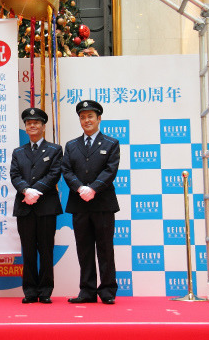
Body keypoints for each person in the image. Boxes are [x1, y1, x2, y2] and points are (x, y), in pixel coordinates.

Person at [61, 100, 120, 304]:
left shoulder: (111, 143)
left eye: (90, 117)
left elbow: (110, 170)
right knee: (84, 249)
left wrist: (93, 188)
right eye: (82, 117)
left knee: (105, 248)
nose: (86, 120)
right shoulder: (71, 145)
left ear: (99, 119)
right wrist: (80, 188)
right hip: (79, 204)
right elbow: (66, 170)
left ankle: (107, 290)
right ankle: (87, 290)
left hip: (103, 204)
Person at [10, 108, 63, 304]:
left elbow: (54, 174)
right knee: (29, 249)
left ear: (43, 126)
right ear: (25, 127)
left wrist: (36, 191)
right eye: (29, 123)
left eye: (36, 122)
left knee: (46, 249)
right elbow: (15, 175)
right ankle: (30, 290)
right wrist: (26, 191)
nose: (32, 125)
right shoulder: (18, 152)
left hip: (46, 206)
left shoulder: (55, 149)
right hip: (25, 206)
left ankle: (46, 290)